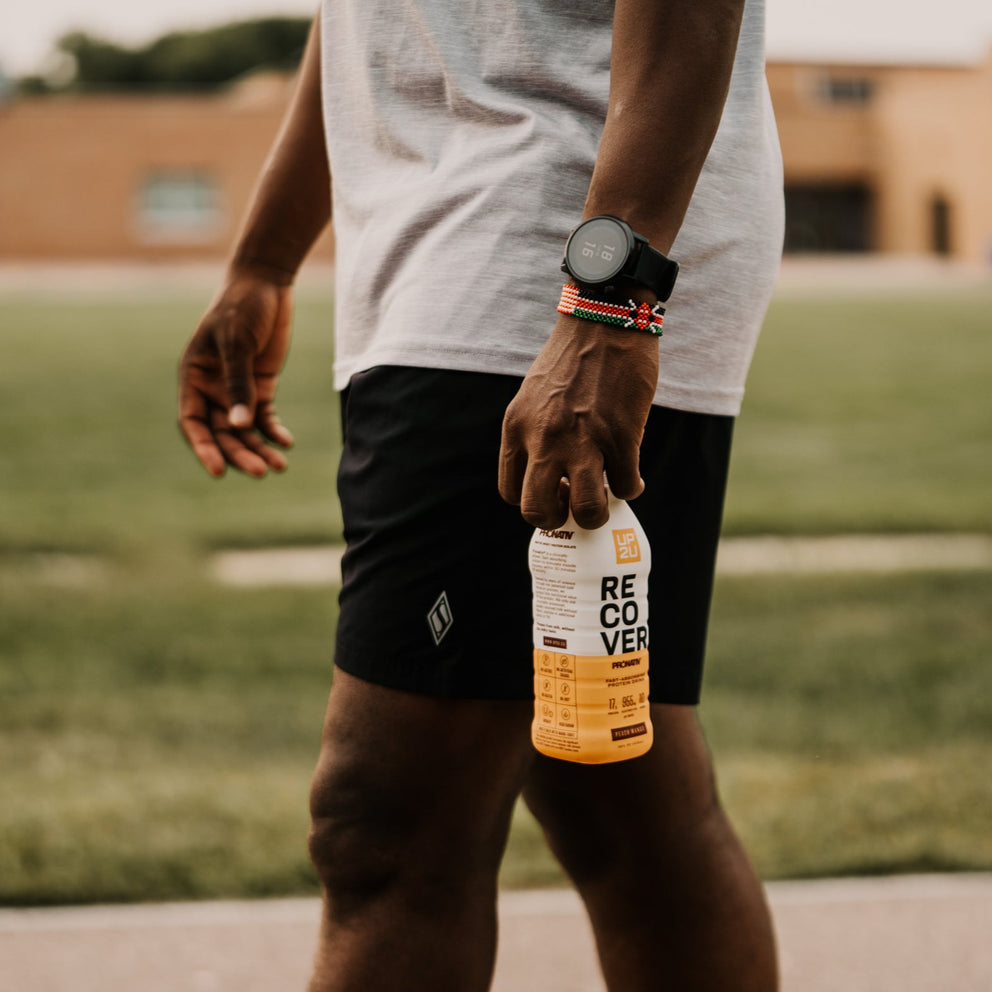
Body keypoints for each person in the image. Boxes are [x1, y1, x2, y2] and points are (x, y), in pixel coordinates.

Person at [179, 0, 784, 988]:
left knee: (384, 823)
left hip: (549, 245)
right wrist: (263, 257)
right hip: (456, 253)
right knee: (616, 800)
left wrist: (608, 301)